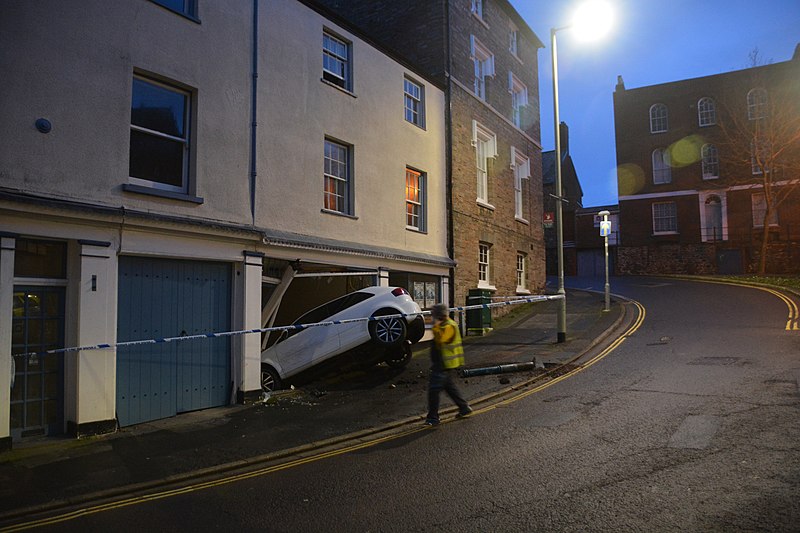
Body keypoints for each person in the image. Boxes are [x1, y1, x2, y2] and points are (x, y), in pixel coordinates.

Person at [425, 303, 472, 426]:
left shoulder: (449, 326)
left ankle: (433, 417)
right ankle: (464, 407)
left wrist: (435, 326)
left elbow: (441, 340)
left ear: (439, 315)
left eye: (433, 315)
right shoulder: (444, 325)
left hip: (444, 363)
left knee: (433, 390)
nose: (432, 317)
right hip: (442, 363)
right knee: (450, 388)